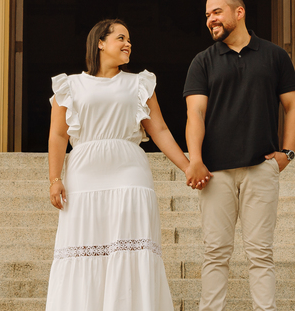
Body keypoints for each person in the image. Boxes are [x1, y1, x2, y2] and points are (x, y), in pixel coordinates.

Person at [45, 18, 191, 311]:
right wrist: (54, 178)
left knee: (131, 250)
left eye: (130, 41)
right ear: (100, 42)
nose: (128, 45)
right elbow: (59, 134)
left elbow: (159, 130)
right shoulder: (70, 84)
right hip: (84, 176)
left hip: (130, 173)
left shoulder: (140, 83)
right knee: (84, 252)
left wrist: (188, 166)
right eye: (121, 38)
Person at [182, 0, 295, 311]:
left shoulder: (275, 56)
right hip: (215, 173)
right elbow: (195, 114)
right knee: (215, 252)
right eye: (207, 15)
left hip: (260, 168)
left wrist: (287, 153)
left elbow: (293, 106)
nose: (211, 20)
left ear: (239, 12)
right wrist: (195, 158)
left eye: (217, 12)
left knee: (260, 253)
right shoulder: (203, 62)